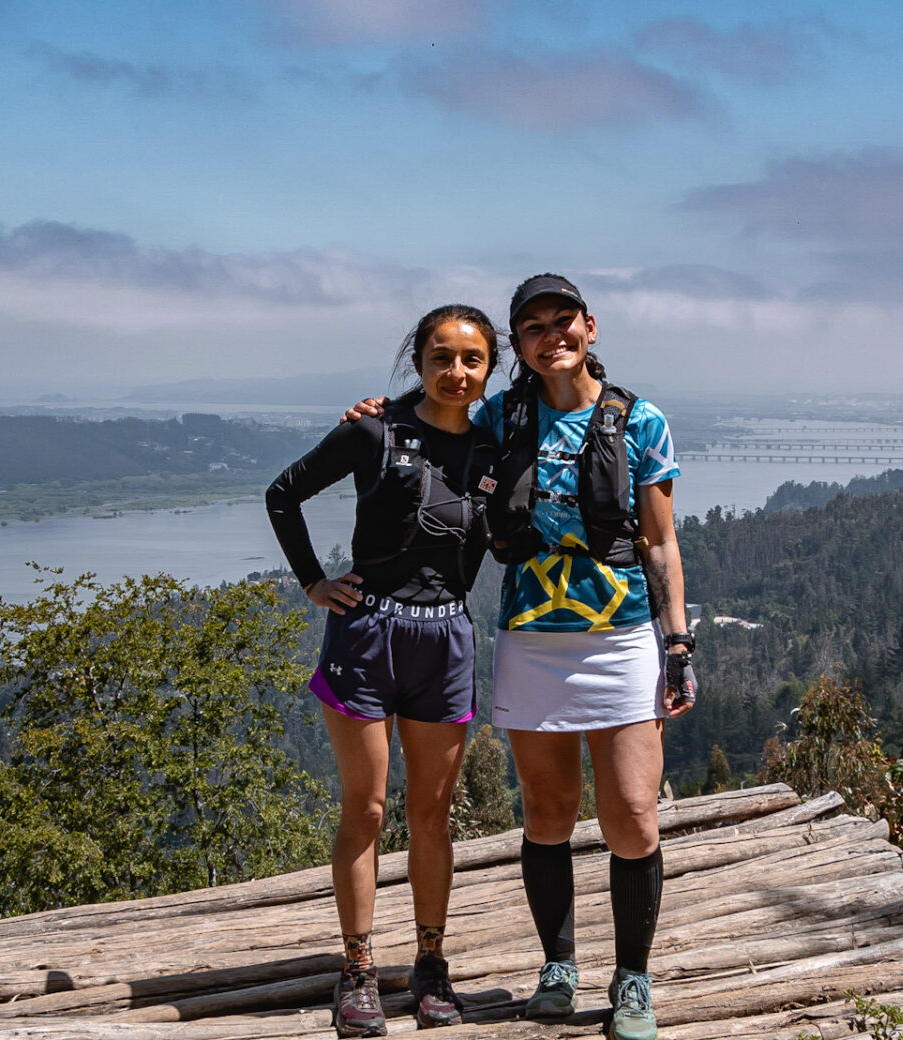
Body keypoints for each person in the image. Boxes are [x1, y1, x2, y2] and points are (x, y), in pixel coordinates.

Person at [348, 275, 697, 1040]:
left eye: (562, 321)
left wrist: (677, 643)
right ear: (520, 345)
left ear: (590, 327)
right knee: (546, 812)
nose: (551, 336)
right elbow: (428, 418)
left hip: (623, 635)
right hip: (533, 635)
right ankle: (559, 966)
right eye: (532, 327)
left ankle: (633, 979)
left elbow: (660, 540)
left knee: (633, 815)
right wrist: (370, 416)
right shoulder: (503, 416)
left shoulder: (640, 420)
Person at [265, 304, 501, 1037]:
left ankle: (430, 965)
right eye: (440, 356)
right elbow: (284, 494)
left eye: (471, 359)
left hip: (445, 642)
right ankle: (359, 969)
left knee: (432, 814)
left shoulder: (497, 445)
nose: (455, 372)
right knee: (366, 810)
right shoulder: (375, 431)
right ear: (417, 360)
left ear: (490, 367)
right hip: (366, 636)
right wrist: (312, 581)